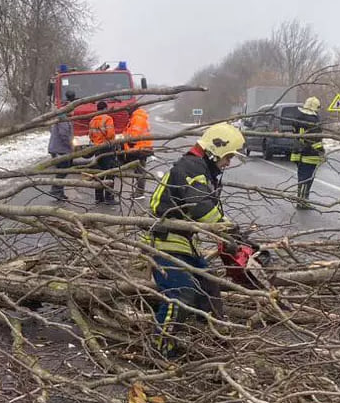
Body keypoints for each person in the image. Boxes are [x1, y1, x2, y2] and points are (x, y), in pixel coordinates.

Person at [142, 122, 245, 358]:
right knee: (182, 292)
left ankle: (209, 338)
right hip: (165, 242)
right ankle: (159, 350)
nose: (228, 163)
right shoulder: (191, 167)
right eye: (227, 157)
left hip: (184, 242)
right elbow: (202, 208)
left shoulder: (200, 168)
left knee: (208, 285)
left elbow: (206, 210)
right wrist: (230, 231)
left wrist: (234, 234)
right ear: (215, 149)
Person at [290, 96, 324, 210]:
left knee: (302, 178)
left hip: (298, 153)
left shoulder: (298, 119)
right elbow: (316, 140)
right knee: (307, 179)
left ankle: (302, 200)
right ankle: (302, 202)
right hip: (310, 154)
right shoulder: (314, 122)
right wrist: (321, 152)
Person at [47, 90, 76, 201]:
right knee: (63, 170)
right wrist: (70, 145)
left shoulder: (64, 118)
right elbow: (64, 134)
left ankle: (59, 191)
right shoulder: (63, 120)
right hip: (60, 150)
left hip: (60, 149)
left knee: (63, 170)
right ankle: (56, 190)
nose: (73, 113)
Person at [88, 101, 118, 204]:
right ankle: (109, 197)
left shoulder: (92, 120)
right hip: (107, 148)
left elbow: (90, 136)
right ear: (105, 108)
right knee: (110, 172)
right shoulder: (108, 119)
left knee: (99, 173)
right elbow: (110, 134)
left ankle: (98, 197)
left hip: (97, 148)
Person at [121, 106, 154, 197]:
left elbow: (134, 137)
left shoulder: (137, 119)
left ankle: (139, 193)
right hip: (141, 148)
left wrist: (126, 142)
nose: (127, 113)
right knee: (138, 171)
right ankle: (139, 191)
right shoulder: (137, 117)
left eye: (128, 110)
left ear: (132, 109)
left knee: (140, 171)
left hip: (140, 148)